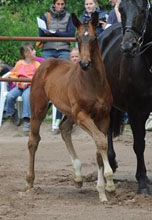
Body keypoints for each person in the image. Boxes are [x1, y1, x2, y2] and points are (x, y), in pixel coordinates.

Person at [38, 0, 75, 133]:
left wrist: (54, 34)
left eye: (62, 4)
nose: (60, 6)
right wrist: (49, 33)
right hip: (48, 49)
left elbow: (71, 34)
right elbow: (41, 34)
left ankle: (60, 117)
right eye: (58, 4)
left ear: (64, 5)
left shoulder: (69, 16)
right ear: (54, 4)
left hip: (64, 50)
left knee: (65, 81)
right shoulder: (45, 16)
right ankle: (40, 114)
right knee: (44, 80)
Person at [5, 43, 40, 132]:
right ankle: (12, 113)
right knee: (9, 96)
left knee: (26, 96)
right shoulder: (19, 63)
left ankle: (27, 119)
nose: (35, 51)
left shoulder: (37, 64)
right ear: (26, 54)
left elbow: (39, 77)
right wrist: (17, 81)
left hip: (31, 86)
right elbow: (13, 74)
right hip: (20, 86)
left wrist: (28, 82)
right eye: (32, 50)